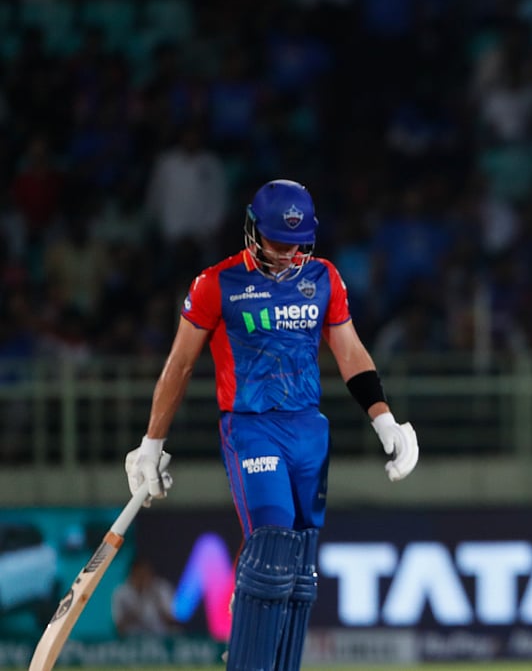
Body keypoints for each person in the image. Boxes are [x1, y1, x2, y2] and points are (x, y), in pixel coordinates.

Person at [123, 179, 420, 671]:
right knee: (272, 538)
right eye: (277, 243)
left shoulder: (324, 277)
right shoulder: (215, 284)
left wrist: (384, 419)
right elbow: (179, 365)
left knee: (300, 563)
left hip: (308, 429)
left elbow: (349, 351)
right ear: (253, 230)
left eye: (296, 244)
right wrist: (152, 443)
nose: (286, 255)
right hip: (251, 426)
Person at [112, 556, 181, 637]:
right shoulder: (121, 593)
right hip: (132, 639)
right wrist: (133, 613)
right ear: (132, 575)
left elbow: (173, 621)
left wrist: (156, 599)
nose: (142, 578)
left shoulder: (161, 588)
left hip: (160, 638)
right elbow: (118, 627)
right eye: (139, 575)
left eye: (145, 574)